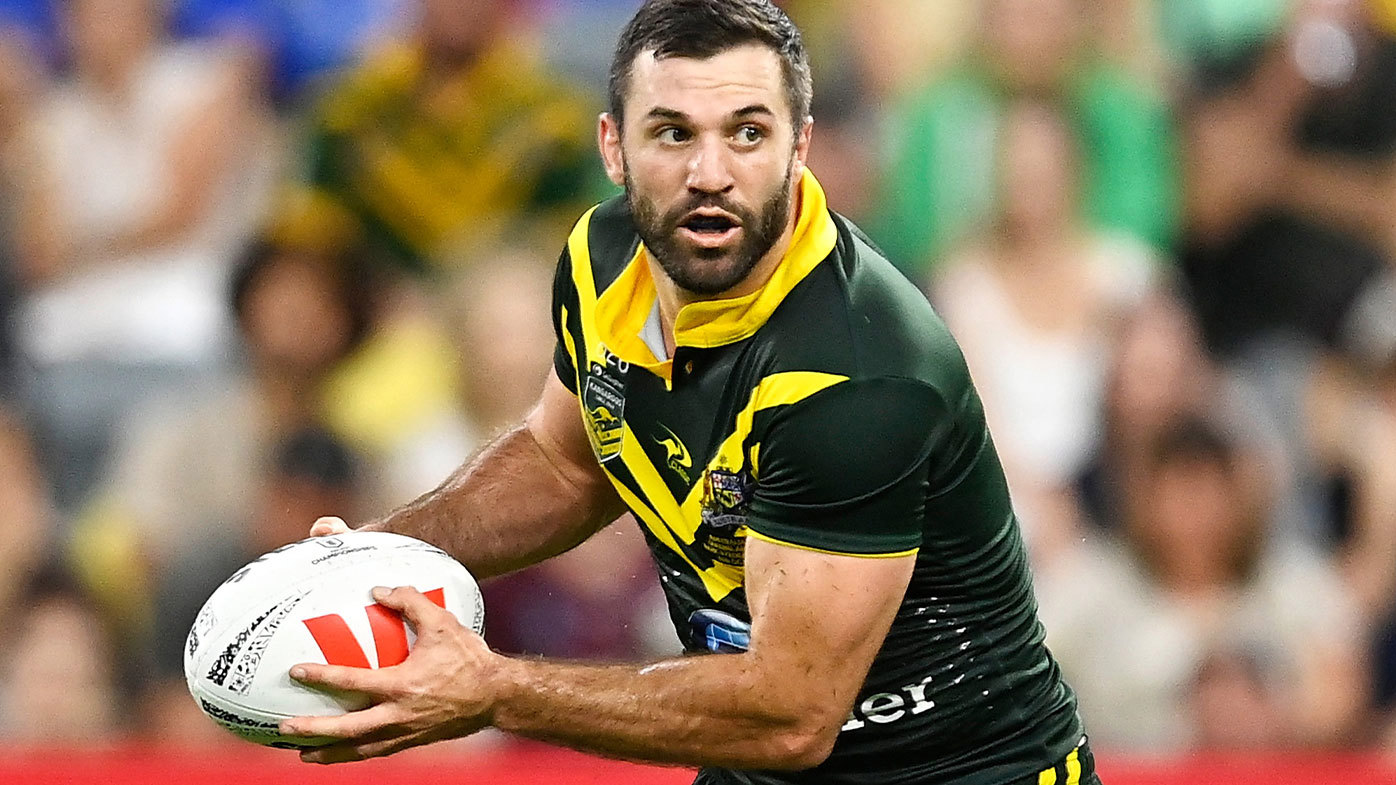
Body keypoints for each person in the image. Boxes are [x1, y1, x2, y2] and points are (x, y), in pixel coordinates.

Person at [282, 2, 1098, 783]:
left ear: (800, 146)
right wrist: (369, 557)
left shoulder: (857, 374)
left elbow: (791, 712)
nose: (711, 174)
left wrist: (497, 689)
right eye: (673, 133)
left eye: (747, 133)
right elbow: (567, 463)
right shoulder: (601, 259)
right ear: (613, 147)